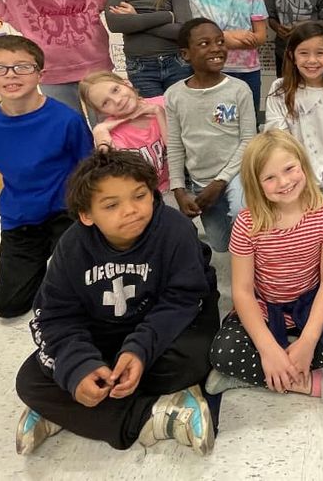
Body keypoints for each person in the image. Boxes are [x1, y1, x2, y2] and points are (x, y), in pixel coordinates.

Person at [13, 149, 221, 457]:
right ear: (87, 214)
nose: (131, 210)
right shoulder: (71, 247)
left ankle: (66, 411)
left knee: (197, 358)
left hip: (164, 329)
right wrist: (82, 366)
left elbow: (183, 300)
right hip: (102, 332)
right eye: (111, 205)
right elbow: (55, 317)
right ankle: (158, 414)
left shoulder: (175, 230)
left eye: (140, 196)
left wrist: (138, 350)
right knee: (29, 380)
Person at [204, 130, 323, 413]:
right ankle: (310, 378)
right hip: (265, 305)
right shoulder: (247, 224)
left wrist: (307, 340)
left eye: (289, 169)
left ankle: (280, 374)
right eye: (269, 177)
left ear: (303, 165)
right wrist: (268, 349)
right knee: (222, 352)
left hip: (313, 300)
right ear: (255, 184)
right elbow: (243, 292)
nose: (283, 182)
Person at [0, 35, 92, 319]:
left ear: (40, 73)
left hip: (66, 214)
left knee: (79, 296)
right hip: (21, 219)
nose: (11, 75)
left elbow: (86, 168)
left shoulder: (67, 120)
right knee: (10, 307)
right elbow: (1, 168)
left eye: (22, 67)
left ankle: (65, 261)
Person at [264, 21, 323, 257]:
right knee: (294, 253)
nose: (312, 60)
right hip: (289, 191)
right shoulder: (279, 91)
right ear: (292, 56)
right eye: (304, 53)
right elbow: (277, 143)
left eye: (320, 53)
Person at [166, 18, 256, 253]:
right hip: (200, 180)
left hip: (237, 173)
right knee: (221, 244)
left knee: (242, 214)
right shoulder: (174, 95)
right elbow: (175, 146)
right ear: (185, 54)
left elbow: (248, 140)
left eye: (219, 41)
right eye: (204, 43)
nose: (216, 48)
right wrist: (178, 189)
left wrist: (220, 181)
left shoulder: (239, 89)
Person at [188, 0, 268, 114]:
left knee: (248, 121)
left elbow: (261, 36)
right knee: (215, 124)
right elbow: (200, 39)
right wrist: (234, 36)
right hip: (210, 69)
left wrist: (218, 39)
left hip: (248, 71)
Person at [79, 71, 170, 195]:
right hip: (140, 195)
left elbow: (177, 151)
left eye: (115, 90)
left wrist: (159, 112)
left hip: (177, 185)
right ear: (100, 112)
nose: (117, 101)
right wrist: (100, 134)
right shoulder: (110, 134)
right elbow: (118, 177)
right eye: (105, 103)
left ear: (127, 83)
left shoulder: (163, 103)